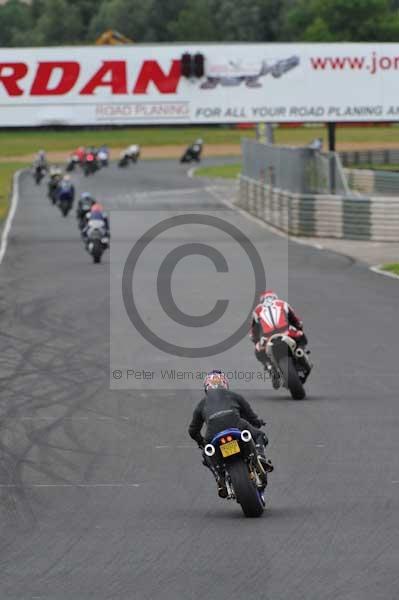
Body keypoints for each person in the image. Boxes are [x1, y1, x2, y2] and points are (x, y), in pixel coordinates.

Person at [188, 370, 273, 497]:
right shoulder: (233, 395)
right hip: (235, 424)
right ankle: (260, 456)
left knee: (207, 455)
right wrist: (257, 422)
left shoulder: (201, 404)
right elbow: (250, 416)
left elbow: (193, 430)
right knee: (260, 435)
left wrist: (201, 442)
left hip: (213, 433)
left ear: (206, 387)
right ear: (224, 384)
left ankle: (220, 478)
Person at [250, 290, 308, 372]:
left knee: (257, 349)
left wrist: (256, 341)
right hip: (286, 332)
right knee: (300, 334)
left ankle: (268, 365)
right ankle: (300, 351)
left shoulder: (257, 310)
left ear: (262, 300)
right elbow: (295, 319)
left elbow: (253, 332)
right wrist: (299, 326)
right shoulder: (282, 303)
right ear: (275, 297)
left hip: (268, 337)